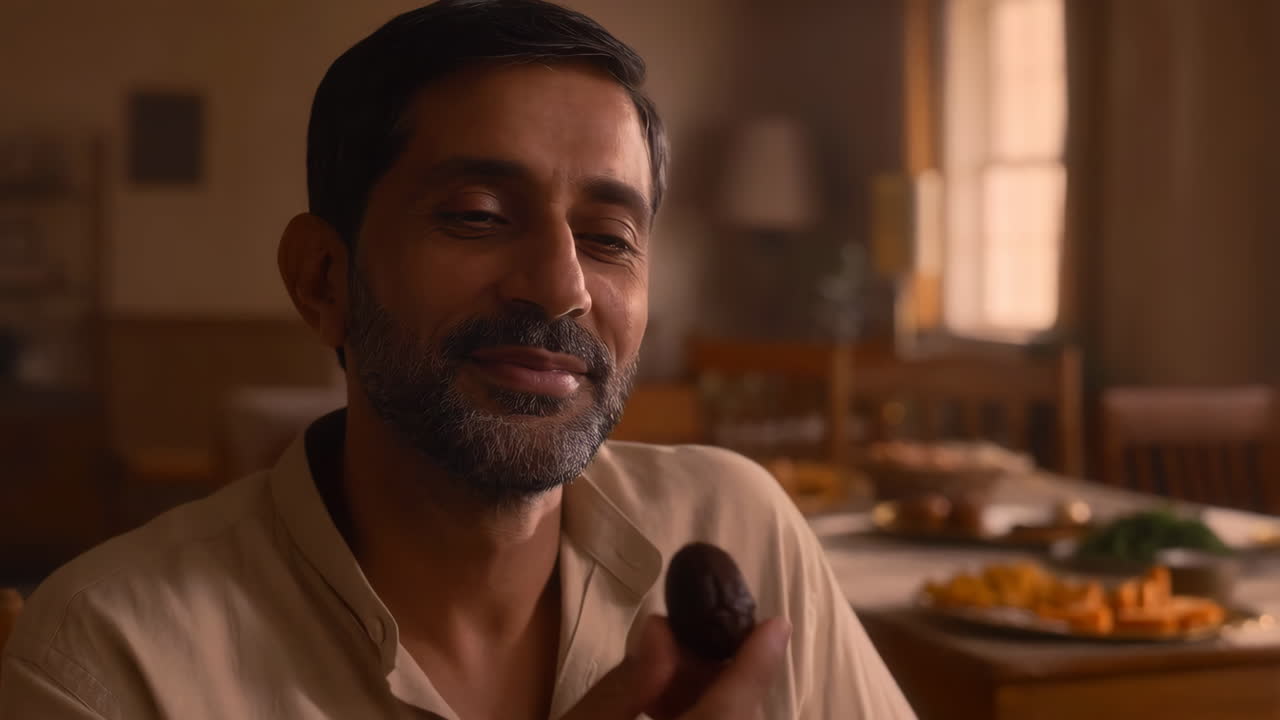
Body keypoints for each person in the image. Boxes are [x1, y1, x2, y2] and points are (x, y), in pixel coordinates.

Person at [0, 1, 915, 718]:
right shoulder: (116, 655)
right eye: (477, 216)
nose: (561, 286)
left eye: (608, 237)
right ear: (323, 279)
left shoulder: (739, 527)